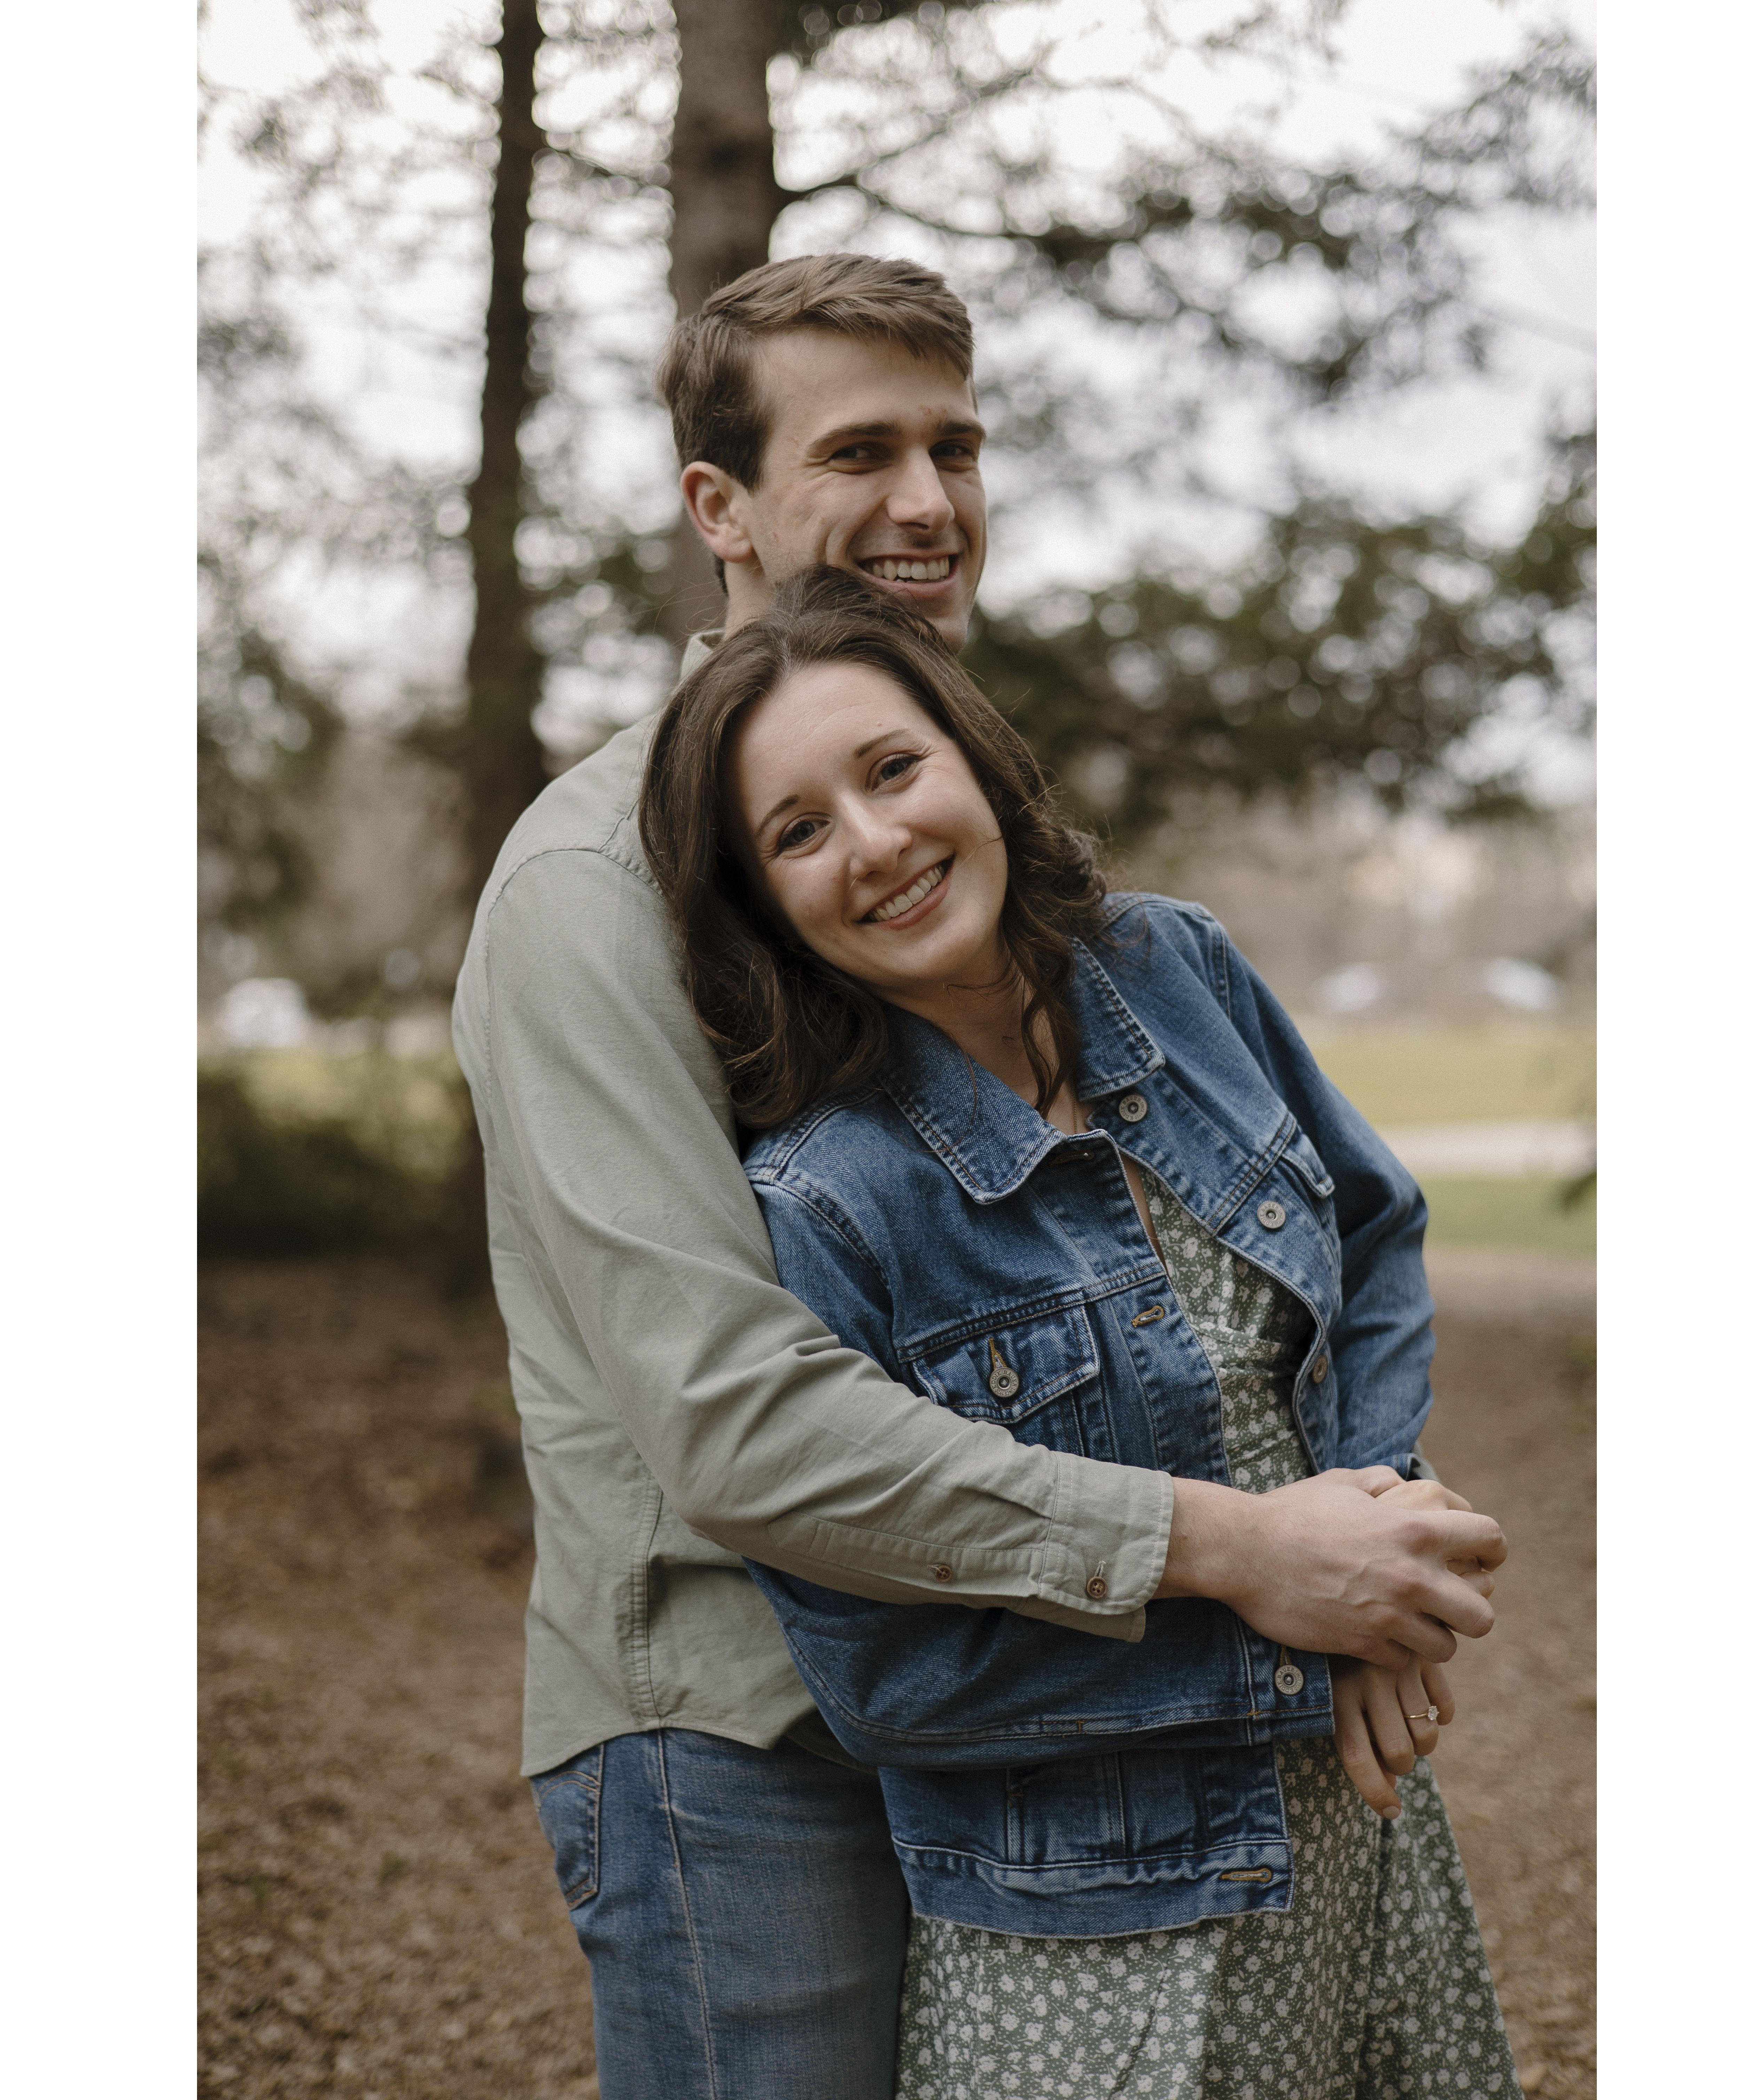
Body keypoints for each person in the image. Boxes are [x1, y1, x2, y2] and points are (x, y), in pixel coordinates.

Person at [451, 252, 1505, 2097]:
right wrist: (1257, 1557)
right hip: (748, 1738)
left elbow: (1310, 1232)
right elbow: (736, 1417)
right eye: (859, 452)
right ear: (719, 507)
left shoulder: (1006, 867)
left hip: (1059, 1702)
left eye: (957, 447)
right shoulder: (592, 890)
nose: (929, 503)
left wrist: (1365, 1535)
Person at [639, 563, 1522, 2098]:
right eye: (799, 832)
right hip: (1096, 1948)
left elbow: (1373, 1232)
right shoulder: (828, 1202)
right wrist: (1296, 1630)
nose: (876, 843)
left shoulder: (1176, 968)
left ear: (975, 759)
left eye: (892, 769)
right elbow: (886, 1678)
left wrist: (1380, 1548)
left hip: (1367, 1842)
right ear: (762, 907)